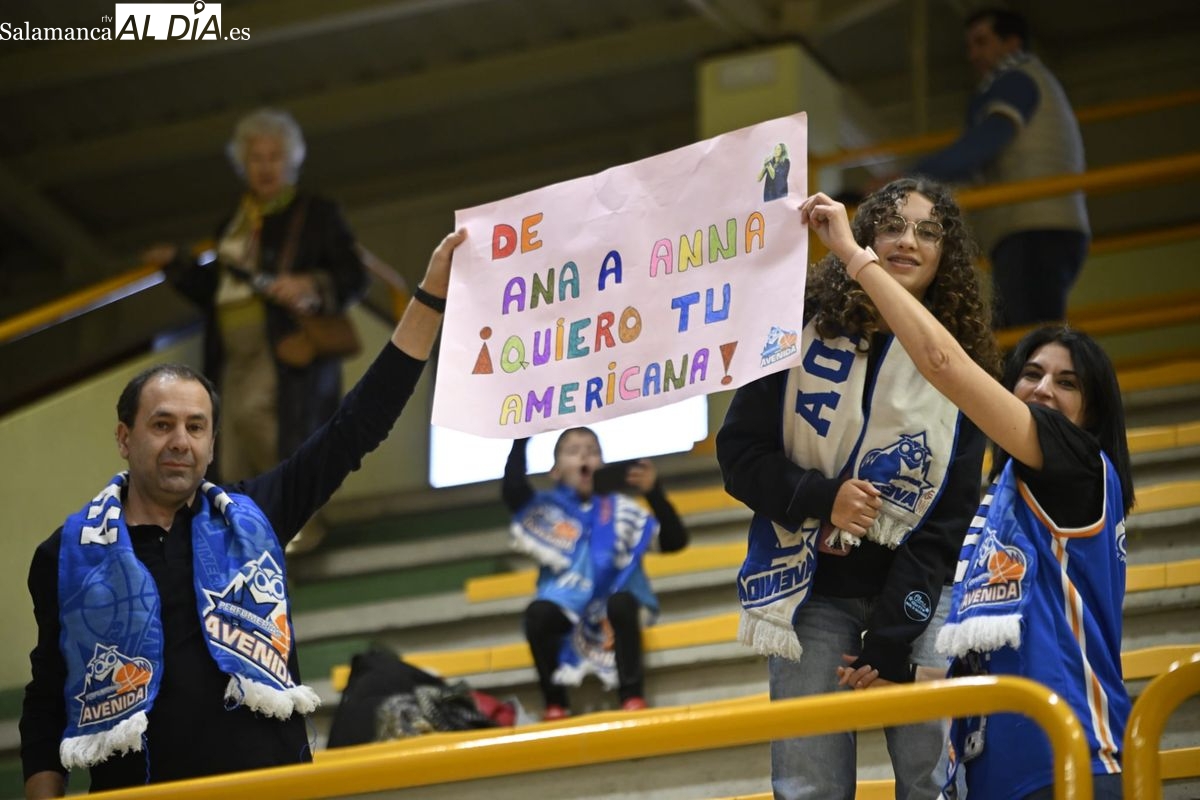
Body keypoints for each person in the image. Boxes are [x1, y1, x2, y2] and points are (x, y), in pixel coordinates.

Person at [19, 231, 465, 799]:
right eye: (162, 424)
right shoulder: (63, 556)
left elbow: (358, 424)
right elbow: (47, 698)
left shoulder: (254, 514)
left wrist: (429, 295)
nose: (180, 440)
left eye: (195, 426)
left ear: (211, 442)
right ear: (125, 438)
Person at [801, 189, 1133, 799]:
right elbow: (981, 638)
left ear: (1094, 410)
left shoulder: (1077, 466)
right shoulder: (1000, 499)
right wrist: (902, 676)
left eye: (1066, 381)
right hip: (992, 774)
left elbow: (940, 362)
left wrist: (852, 253)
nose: (1041, 390)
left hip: (1072, 757)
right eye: (1030, 374)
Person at [717, 177, 1000, 800]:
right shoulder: (796, 333)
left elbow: (951, 518)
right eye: (892, 226)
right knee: (807, 787)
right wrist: (825, 498)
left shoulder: (959, 361)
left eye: (928, 231)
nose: (908, 241)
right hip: (809, 591)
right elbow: (738, 455)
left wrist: (896, 635)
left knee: (934, 785)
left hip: (919, 595)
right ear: (860, 240)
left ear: (945, 256)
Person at [147, 107, 368, 554]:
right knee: (229, 442)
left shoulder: (317, 214)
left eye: (274, 156)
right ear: (243, 165)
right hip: (230, 351)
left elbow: (353, 277)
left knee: (265, 427)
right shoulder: (234, 221)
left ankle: (294, 523)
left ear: (292, 162)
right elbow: (217, 290)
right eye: (256, 158)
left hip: (281, 348)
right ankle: (250, 535)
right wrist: (177, 265)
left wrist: (310, 285)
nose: (265, 166)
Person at [912, 8, 1089, 329]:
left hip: (1034, 230)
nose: (973, 55)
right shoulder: (1031, 80)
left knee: (1027, 339)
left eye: (982, 42)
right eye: (970, 46)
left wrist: (910, 178)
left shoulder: (1016, 79)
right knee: (1019, 335)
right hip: (1038, 228)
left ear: (1012, 43)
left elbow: (984, 143)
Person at [501, 431, 689, 720]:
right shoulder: (547, 510)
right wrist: (521, 436)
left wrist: (653, 491)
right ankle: (555, 703)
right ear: (555, 470)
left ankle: (632, 695)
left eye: (592, 450)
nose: (585, 456)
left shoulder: (622, 509)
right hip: (567, 607)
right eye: (573, 451)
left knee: (622, 603)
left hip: (618, 603)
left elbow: (675, 541)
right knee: (538, 614)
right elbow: (513, 492)